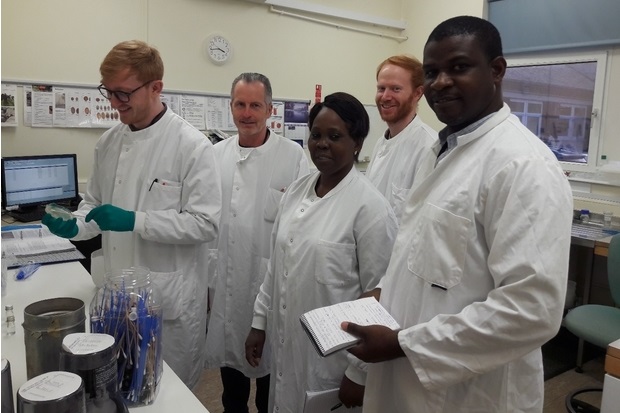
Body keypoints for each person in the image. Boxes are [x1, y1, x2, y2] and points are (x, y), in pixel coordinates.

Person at [342, 16, 573, 413]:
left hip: (469, 394)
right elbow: (430, 259)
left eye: (459, 67)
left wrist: (403, 343)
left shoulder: (523, 165)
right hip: (409, 378)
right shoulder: (444, 150)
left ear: (497, 71)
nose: (441, 82)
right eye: (431, 72)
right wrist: (387, 291)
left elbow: (531, 311)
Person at [42, 40, 221, 389]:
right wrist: (72, 226)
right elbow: (92, 208)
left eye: (123, 93)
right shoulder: (108, 143)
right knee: (119, 385)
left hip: (167, 301)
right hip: (114, 297)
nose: (113, 103)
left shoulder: (192, 145)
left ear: (156, 87)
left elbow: (206, 223)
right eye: (108, 92)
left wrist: (135, 220)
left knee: (168, 394)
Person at [245, 92, 399, 413]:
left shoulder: (370, 208)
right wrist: (259, 322)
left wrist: (359, 373)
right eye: (315, 135)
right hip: (288, 347)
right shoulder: (297, 191)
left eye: (335, 136)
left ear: (357, 142)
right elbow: (276, 266)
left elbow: (381, 300)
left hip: (335, 362)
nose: (322, 144)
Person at [205, 72, 310, 413]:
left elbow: (304, 222)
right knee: (231, 388)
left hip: (269, 288)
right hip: (225, 287)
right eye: (240, 104)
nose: (246, 113)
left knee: (271, 388)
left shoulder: (293, 158)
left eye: (255, 105)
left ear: (269, 110)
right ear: (230, 106)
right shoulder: (215, 156)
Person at [365, 55, 437, 221]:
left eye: (395, 89)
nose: (385, 96)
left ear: (418, 93)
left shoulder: (429, 148)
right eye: (381, 88)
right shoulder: (381, 143)